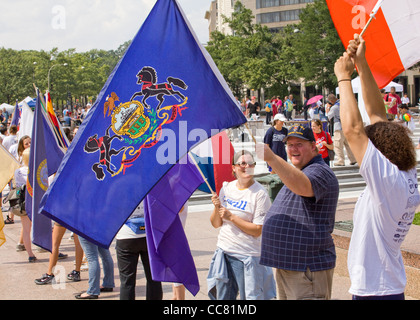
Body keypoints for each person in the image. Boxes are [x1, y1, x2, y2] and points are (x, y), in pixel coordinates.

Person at [335, 33, 420, 300]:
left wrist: (344, 77)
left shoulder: (389, 182)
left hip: (376, 291)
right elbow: (377, 115)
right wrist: (362, 63)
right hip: (386, 285)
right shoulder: (403, 172)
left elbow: (352, 130)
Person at [257, 125, 339, 300]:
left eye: (299, 144)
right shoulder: (300, 171)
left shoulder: (320, 171)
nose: (293, 149)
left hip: (307, 268)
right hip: (290, 264)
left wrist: (271, 158)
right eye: (290, 144)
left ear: (313, 146)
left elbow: (303, 186)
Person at [207, 150, 275, 300]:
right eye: (243, 163)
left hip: (247, 256)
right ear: (234, 167)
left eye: (251, 163)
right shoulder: (226, 188)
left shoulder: (260, 194)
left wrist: (231, 216)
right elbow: (216, 223)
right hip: (224, 252)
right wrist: (216, 207)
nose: (247, 166)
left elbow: (257, 230)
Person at [115, 201, 162, 300]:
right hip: (149, 233)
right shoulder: (150, 185)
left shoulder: (117, 186)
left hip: (125, 234)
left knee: (127, 281)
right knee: (154, 278)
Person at [12, 148, 37, 262]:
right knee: (43, 227)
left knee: (26, 229)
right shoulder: (34, 170)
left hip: (22, 202)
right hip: (35, 201)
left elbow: (15, 185)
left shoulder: (18, 171)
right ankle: (46, 247)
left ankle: (30, 254)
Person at [326, 94, 357, 166]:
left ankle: (341, 160)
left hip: (339, 127)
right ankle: (353, 159)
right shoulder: (344, 104)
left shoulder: (335, 107)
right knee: (347, 144)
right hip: (347, 126)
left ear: (331, 100)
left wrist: (328, 109)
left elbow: (329, 116)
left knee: (338, 144)